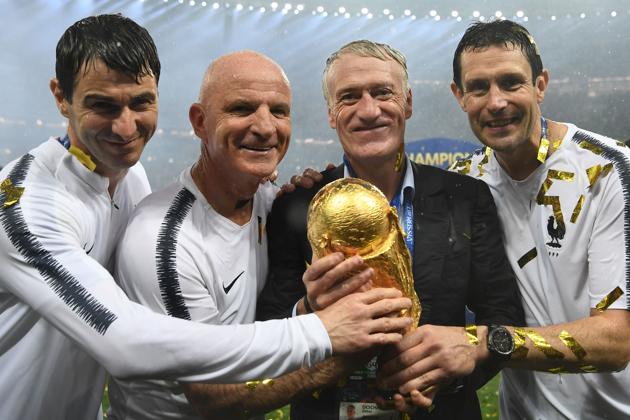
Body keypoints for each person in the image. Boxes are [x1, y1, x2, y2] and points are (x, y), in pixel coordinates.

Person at [0, 15, 412, 420]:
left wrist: (306, 307)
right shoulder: (27, 207)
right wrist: (321, 333)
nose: (126, 127)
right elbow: (125, 343)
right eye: (102, 105)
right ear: (60, 96)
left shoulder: (128, 177)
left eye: (140, 102)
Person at [107, 50, 411, 420]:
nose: (266, 127)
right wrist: (347, 351)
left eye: (279, 111)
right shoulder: (163, 242)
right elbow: (213, 397)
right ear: (200, 122)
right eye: (242, 109)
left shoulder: (273, 201)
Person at [255, 40, 524, 420]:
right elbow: (267, 327)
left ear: (408, 103)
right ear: (332, 114)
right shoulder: (298, 204)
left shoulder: (465, 198)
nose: (369, 110)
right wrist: (307, 309)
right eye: (349, 97)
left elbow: (503, 317)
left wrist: (449, 375)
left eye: (383, 92)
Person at [378, 20, 630, 420]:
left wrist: (488, 342)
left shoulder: (610, 170)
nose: (496, 102)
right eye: (479, 87)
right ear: (459, 96)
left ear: (540, 85)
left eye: (511, 82)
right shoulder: (465, 184)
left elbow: (619, 340)